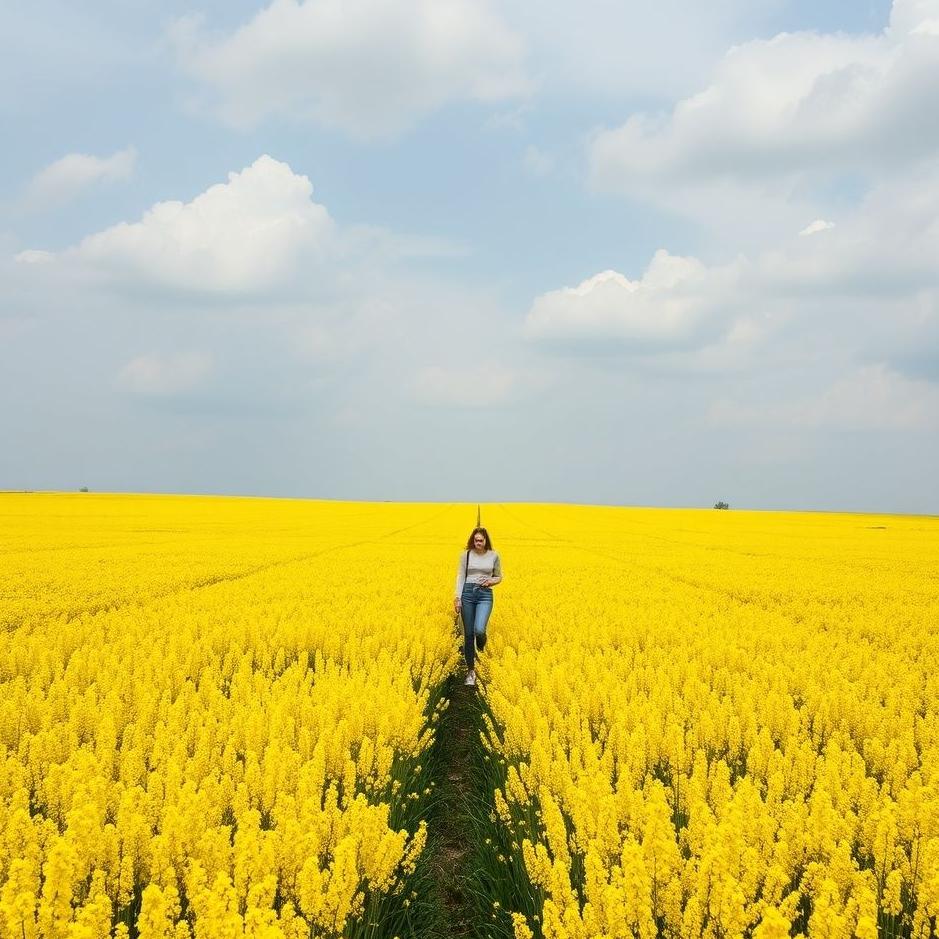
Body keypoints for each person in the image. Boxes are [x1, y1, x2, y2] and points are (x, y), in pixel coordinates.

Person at [454, 527, 502, 686]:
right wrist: (457, 597)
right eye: (475, 540)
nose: (478, 543)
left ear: (486, 540)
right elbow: (461, 576)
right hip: (467, 593)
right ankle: (470, 672)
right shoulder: (466, 555)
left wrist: (491, 581)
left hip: (485, 594)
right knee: (468, 634)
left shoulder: (494, 556)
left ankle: (481, 644)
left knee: (479, 629)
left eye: (481, 540)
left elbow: (499, 576)